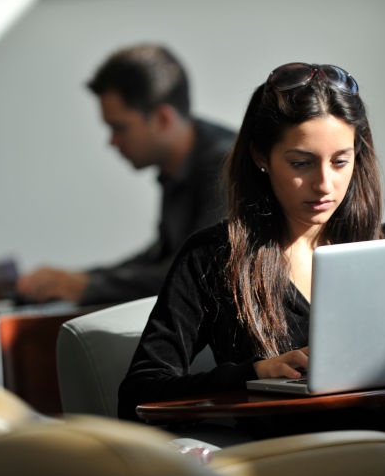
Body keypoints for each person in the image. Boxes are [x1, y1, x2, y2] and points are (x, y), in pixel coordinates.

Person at [117, 62, 385, 474]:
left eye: (340, 161)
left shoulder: (383, 245)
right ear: (261, 156)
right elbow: (138, 393)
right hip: (315, 461)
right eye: (301, 163)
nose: (324, 185)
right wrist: (254, 372)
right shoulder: (213, 257)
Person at [17, 44, 236, 305]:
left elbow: (196, 274)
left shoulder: (225, 166)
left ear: (163, 119)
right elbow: (162, 258)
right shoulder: (181, 165)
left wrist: (87, 286)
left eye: (119, 128)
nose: (112, 142)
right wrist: (78, 279)